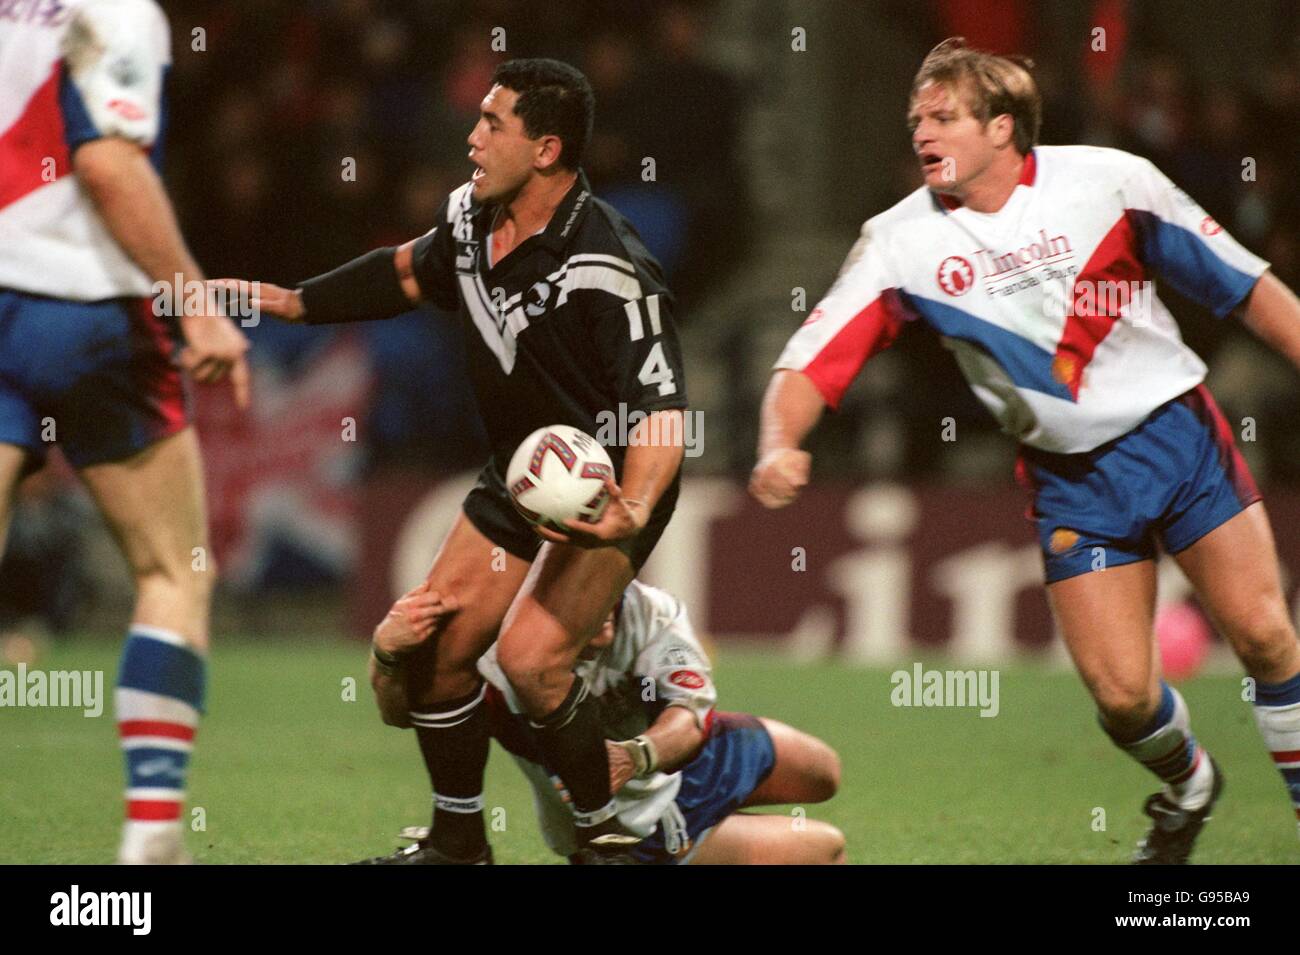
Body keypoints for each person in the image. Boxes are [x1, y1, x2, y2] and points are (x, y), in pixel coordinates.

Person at [751, 37, 1300, 864]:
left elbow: (1244, 284)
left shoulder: (1111, 181)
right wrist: (779, 441)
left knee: (1264, 636)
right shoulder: (899, 241)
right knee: (1121, 698)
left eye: (942, 117)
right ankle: (1189, 784)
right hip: (1072, 479)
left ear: (1002, 127)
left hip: (1176, 437)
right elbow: (812, 353)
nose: (922, 133)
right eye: (915, 119)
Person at [228, 59, 688, 863]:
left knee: (532, 663)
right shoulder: (472, 221)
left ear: (546, 149)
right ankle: (457, 842)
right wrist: (295, 301)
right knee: (439, 650)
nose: (472, 138)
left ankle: (606, 838)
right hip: (520, 472)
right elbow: (407, 271)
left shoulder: (609, 266)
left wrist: (635, 510)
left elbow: (662, 411)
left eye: (493, 124)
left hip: (602, 486)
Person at [0, 0, 251, 863]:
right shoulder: (113, 10)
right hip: (83, 306)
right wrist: (197, 304)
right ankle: (151, 831)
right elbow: (107, 163)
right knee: (172, 568)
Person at [363, 580, 845, 865]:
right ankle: (703, 842)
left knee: (825, 771)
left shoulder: (650, 610)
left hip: (688, 756)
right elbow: (402, 714)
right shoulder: (498, 655)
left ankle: (726, 823)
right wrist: (387, 653)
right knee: (828, 847)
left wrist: (633, 756)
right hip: (641, 823)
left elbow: (689, 717)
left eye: (609, 600)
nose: (606, 622)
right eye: (585, 613)